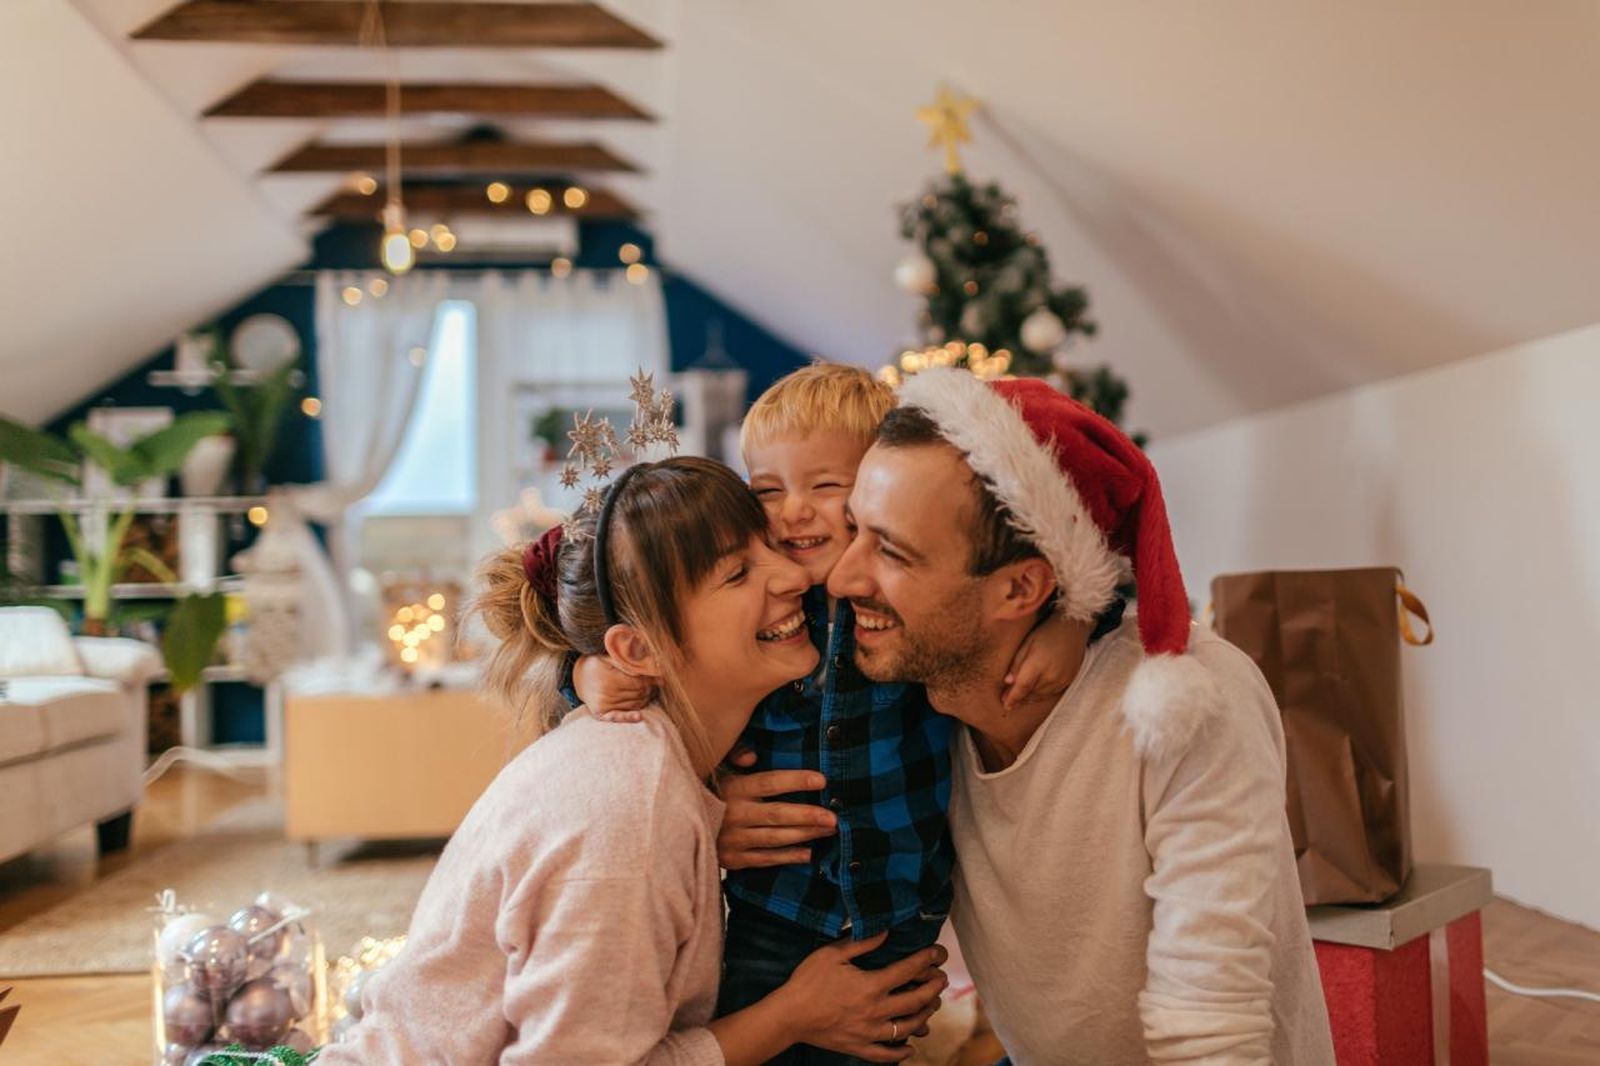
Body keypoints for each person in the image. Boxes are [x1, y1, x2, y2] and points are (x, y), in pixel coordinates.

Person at [320, 456, 948, 1065]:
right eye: (737, 574)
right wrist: (789, 1016)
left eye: (772, 549)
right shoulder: (632, 805)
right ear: (638, 651)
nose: (792, 577)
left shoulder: (648, 758)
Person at [818, 370, 1338, 1065]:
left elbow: (1211, 1023)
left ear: (1022, 588)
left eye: (891, 551)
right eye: (853, 529)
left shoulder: (1187, 701)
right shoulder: (905, 696)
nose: (842, 578)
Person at [573, 365, 1078, 1064]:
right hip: (774, 915)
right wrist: (586, 673)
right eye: (767, 491)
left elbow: (1064, 581)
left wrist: (1068, 627)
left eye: (824, 486)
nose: (792, 513)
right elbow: (657, 660)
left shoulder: (921, 603)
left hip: (902, 918)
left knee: (879, 1043)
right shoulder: (765, 611)